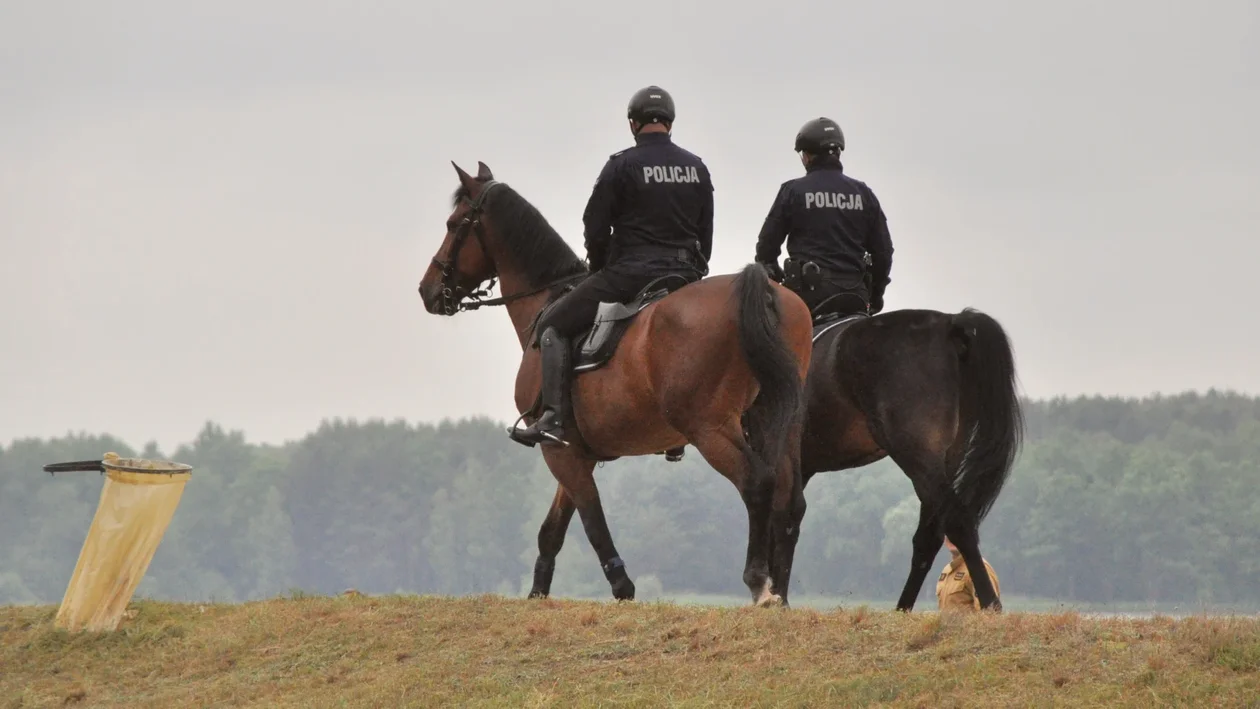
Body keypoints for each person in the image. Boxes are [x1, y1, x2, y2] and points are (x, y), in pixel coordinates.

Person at [508, 85, 714, 447]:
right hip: (684, 276)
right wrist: (696, 269)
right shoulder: (696, 167)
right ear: (669, 122)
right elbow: (706, 230)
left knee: (552, 324)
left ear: (633, 124)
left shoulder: (621, 165)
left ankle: (553, 418)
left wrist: (601, 266)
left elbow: (595, 226)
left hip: (630, 273)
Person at [753, 116, 894, 320]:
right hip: (855, 296)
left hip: (807, 297)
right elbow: (883, 252)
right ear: (838, 153)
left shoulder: (793, 190)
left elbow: (766, 246)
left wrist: (773, 272)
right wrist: (876, 294)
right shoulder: (864, 193)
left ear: (807, 156)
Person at [935, 536, 1001, 612]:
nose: (952, 536)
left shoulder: (979, 568)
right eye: (948, 532)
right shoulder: (947, 570)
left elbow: (990, 613)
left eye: (958, 532)